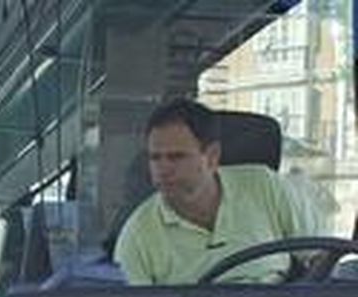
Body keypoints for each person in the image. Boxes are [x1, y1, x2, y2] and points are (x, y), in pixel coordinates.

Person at [114, 98, 318, 285]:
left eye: (176, 157)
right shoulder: (138, 236)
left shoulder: (265, 187)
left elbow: (321, 258)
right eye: (155, 158)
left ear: (212, 157)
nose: (162, 170)